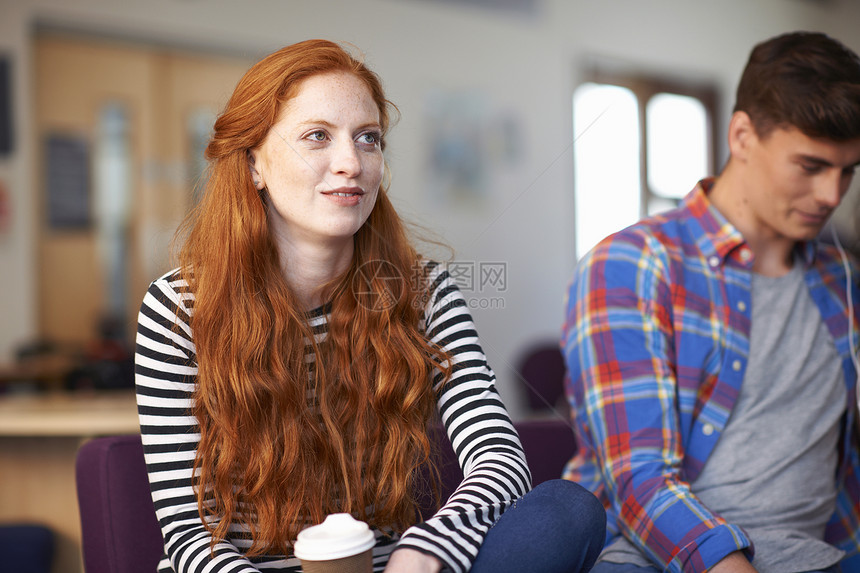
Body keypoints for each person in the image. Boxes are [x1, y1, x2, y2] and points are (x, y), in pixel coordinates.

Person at [135, 39, 605, 573]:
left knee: (569, 509)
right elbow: (188, 535)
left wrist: (426, 550)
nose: (351, 163)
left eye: (368, 139)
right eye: (317, 137)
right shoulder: (178, 307)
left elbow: (500, 459)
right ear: (253, 165)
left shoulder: (424, 292)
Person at [562, 31, 860, 573]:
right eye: (812, 167)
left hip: (824, 553)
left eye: (849, 172)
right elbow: (638, 478)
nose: (832, 196)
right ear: (743, 135)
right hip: (656, 558)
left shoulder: (841, 278)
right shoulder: (633, 264)